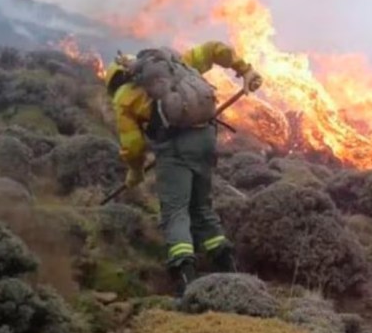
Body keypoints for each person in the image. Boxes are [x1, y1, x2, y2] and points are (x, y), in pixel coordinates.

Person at [102, 42, 263, 296]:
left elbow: (133, 146)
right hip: (206, 138)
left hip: (175, 148)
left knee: (176, 211)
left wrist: (135, 171)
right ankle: (228, 267)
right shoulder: (176, 65)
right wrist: (245, 70)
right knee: (201, 207)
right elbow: (213, 49)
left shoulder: (124, 97)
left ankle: (185, 279)